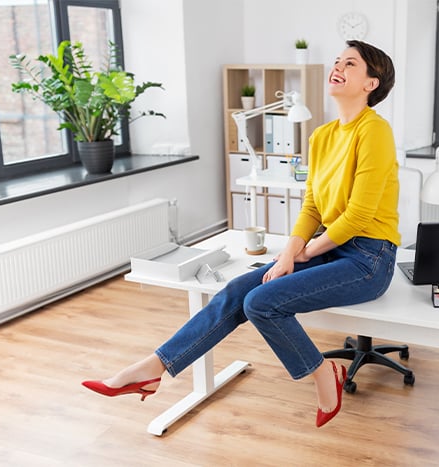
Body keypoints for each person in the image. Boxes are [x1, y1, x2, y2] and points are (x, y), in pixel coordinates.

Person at [82, 40, 399, 428]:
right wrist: (289, 253)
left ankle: (322, 374)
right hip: (331, 248)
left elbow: (360, 214)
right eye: (337, 60)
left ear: (371, 83)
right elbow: (313, 206)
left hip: (369, 258)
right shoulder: (321, 136)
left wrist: (306, 251)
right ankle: (151, 368)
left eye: (350, 63)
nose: (338, 67)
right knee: (235, 291)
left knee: (261, 302)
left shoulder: (375, 131)